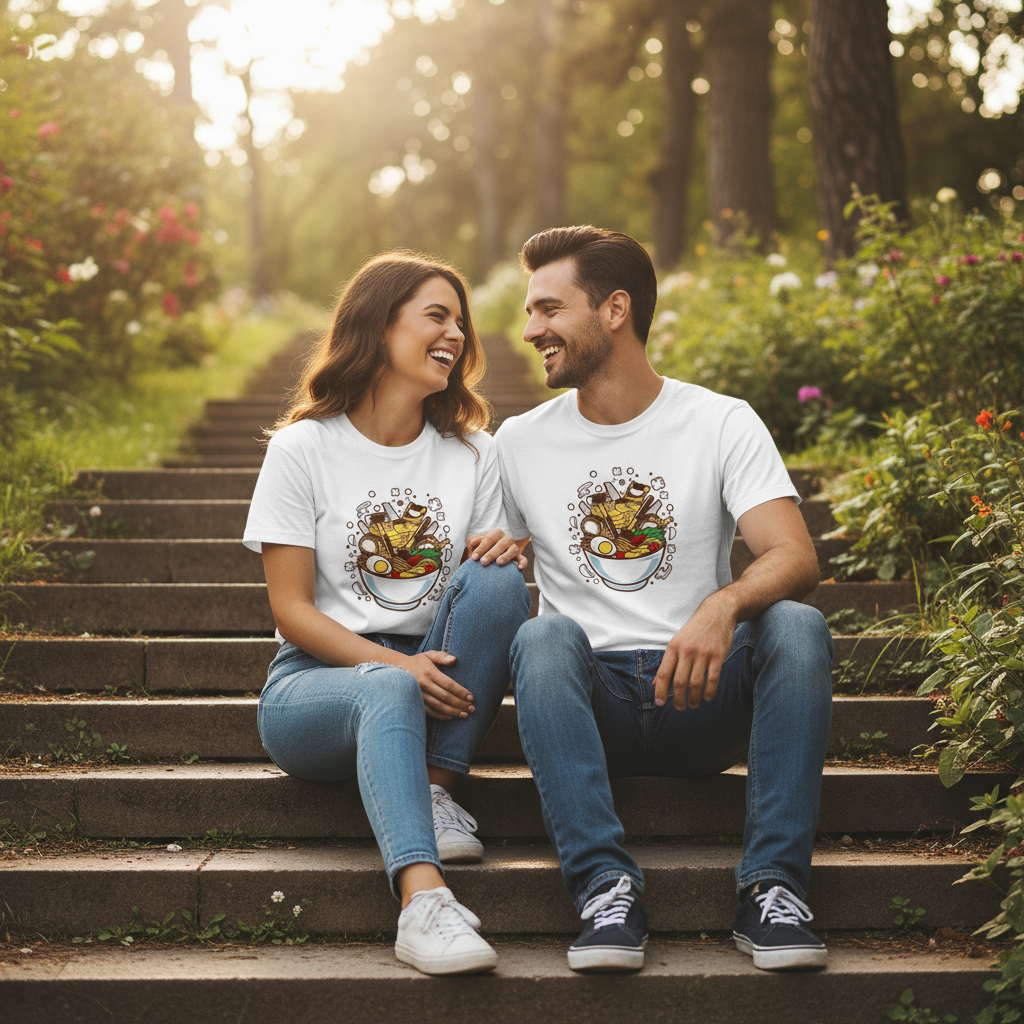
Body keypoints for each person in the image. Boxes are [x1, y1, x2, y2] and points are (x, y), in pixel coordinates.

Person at [493, 226, 833, 974]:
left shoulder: (719, 421)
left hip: (700, 692)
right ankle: (603, 888)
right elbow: (477, 563)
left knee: (798, 627)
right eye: (528, 312)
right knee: (541, 638)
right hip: (594, 702)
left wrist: (722, 607)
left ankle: (773, 887)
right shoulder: (515, 442)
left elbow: (794, 555)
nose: (530, 331)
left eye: (549, 309)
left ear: (615, 310)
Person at [243, 252, 531, 975]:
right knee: (387, 686)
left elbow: (486, 597)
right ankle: (421, 902)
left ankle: (436, 788)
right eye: (437, 315)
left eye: (461, 322)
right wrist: (395, 666)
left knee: (498, 582)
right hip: (318, 685)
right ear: (378, 324)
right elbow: (291, 610)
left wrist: (506, 551)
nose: (457, 334)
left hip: (436, 667)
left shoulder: (473, 452)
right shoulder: (302, 448)